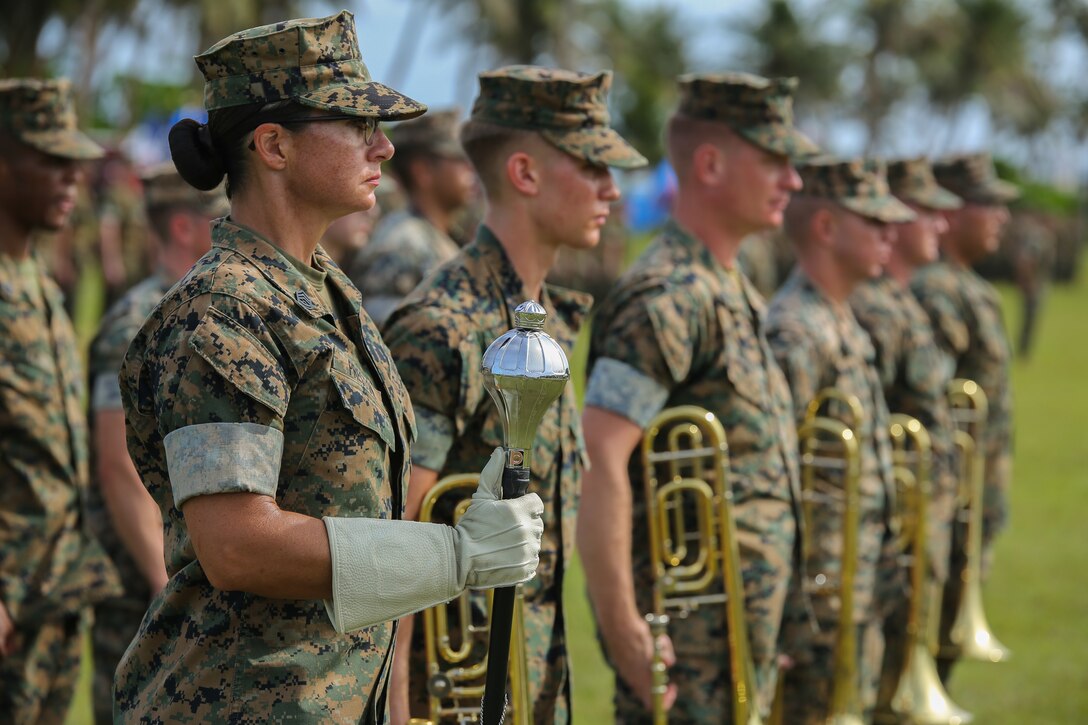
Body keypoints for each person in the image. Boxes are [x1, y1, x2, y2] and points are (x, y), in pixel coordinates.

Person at [112, 12, 544, 722]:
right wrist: (454, 554)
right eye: (355, 123)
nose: (386, 146)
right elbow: (238, 545)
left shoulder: (325, 291)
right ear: (274, 145)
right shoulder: (220, 312)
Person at [382, 65, 647, 724]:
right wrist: (393, 709)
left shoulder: (543, 321)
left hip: (530, 688)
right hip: (455, 701)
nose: (611, 189)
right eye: (591, 167)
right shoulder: (444, 325)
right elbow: (396, 542)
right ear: (525, 174)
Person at [580, 72, 816, 722]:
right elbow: (598, 454)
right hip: (690, 659)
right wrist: (625, 627)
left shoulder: (728, 287)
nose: (793, 181)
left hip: (741, 646)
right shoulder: (668, 297)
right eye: (773, 160)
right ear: (710, 163)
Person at [766, 158, 913, 723]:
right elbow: (776, 473)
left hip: (852, 581)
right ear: (826, 228)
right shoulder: (798, 331)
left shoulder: (837, 319)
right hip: (818, 598)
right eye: (874, 222)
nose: (890, 235)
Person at [85, 163, 227, 724]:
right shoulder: (134, 323)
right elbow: (117, 465)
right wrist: (162, 580)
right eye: (219, 218)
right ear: (184, 229)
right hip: (143, 581)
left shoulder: (207, 310)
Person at [0, 77, 122, 724]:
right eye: (50, 160)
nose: (73, 177)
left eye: (76, 162)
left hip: (57, 594)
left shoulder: (38, 283)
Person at [846, 157, 963, 718]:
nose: (940, 225)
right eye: (927, 213)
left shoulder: (899, 300)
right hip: (887, 538)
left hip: (915, 527)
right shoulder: (871, 307)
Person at [911, 152, 1018, 682]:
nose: (1001, 216)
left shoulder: (968, 287)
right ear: (950, 212)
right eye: (988, 204)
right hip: (947, 503)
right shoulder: (937, 290)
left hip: (973, 499)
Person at [347, 108, 477, 324]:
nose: (472, 169)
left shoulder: (444, 238)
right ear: (422, 171)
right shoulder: (401, 245)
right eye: (460, 158)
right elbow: (387, 337)